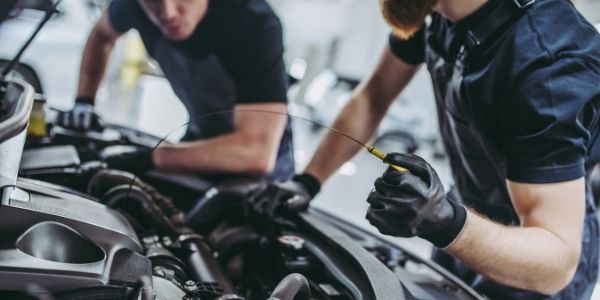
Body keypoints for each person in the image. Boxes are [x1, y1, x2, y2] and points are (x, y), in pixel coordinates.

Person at [253, 0, 600, 298]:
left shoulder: (545, 65)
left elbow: (556, 261)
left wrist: (447, 222)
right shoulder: (436, 9)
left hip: (530, 265)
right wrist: (308, 181)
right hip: (464, 219)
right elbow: (373, 97)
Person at [58, 0, 295, 181]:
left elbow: (255, 152)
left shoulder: (253, 23)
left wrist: (150, 158)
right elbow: (101, 35)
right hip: (198, 138)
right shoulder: (135, 6)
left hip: (261, 166)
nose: (168, 12)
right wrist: (84, 101)